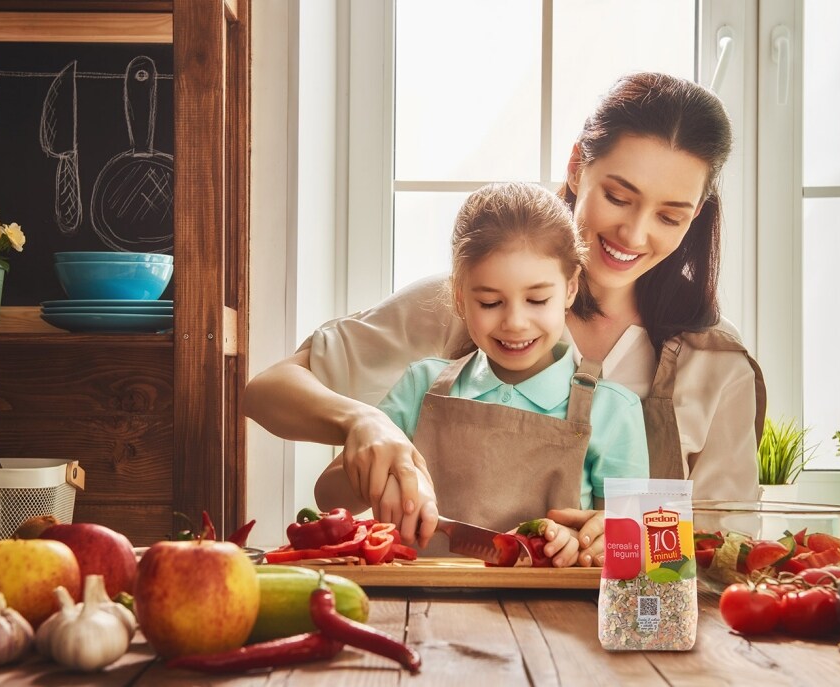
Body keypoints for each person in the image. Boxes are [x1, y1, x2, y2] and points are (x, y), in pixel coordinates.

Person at [242, 72, 767, 567]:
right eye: (617, 196)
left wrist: (631, 537)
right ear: (576, 166)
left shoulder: (716, 364)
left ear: (695, 214)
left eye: (669, 216)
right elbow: (268, 390)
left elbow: (727, 551)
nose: (633, 233)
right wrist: (362, 420)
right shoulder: (461, 306)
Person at [314, 182, 650, 567]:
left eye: (538, 299)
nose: (515, 322)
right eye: (490, 302)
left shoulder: (613, 410)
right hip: (422, 612)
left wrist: (588, 540)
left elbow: (632, 555)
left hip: (550, 620)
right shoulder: (422, 386)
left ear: (571, 289)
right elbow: (329, 497)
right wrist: (377, 457)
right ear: (460, 295)